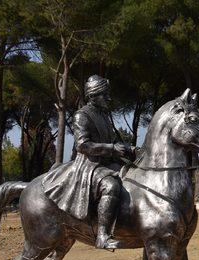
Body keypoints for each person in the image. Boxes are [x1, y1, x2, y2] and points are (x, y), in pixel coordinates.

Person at [42, 75, 134, 249]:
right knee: (111, 186)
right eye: (104, 94)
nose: (108, 98)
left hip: (107, 162)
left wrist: (129, 149)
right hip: (89, 165)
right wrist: (112, 149)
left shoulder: (104, 116)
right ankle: (103, 235)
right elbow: (83, 145)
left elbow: (113, 141)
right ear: (93, 96)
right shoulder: (81, 116)